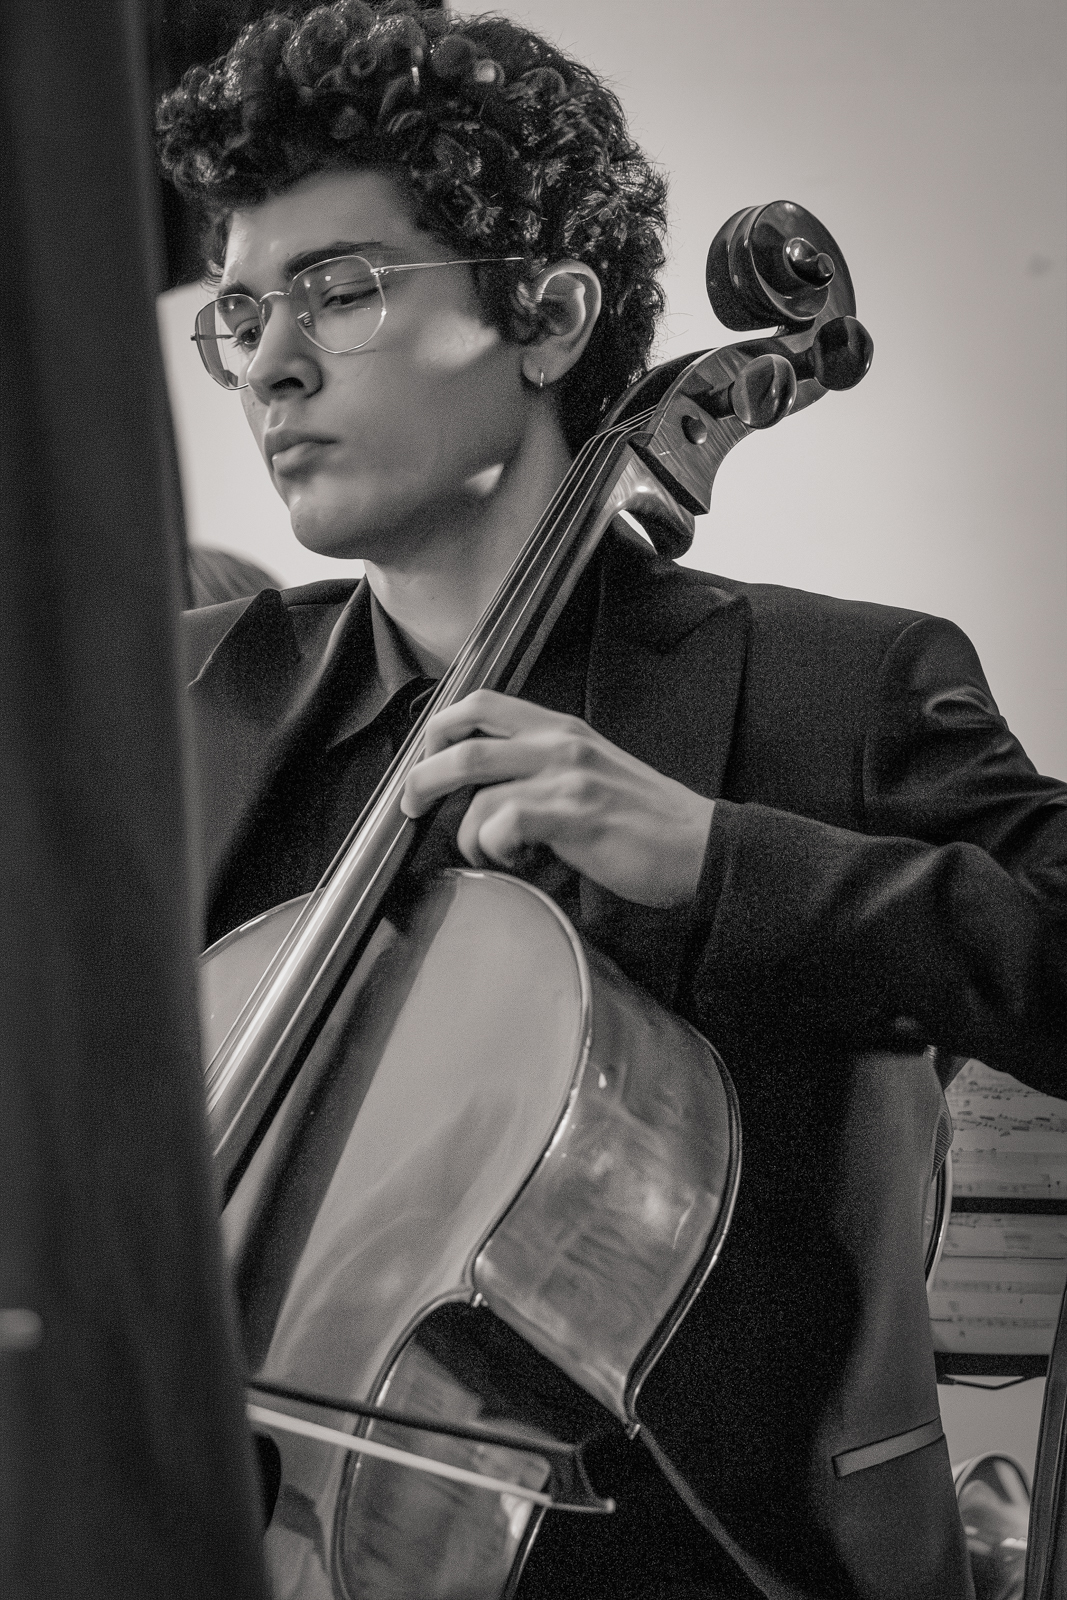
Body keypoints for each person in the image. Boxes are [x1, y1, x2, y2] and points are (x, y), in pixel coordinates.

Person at [157, 4, 1067, 1596]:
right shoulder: (180, 694)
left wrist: (718, 858)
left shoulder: (831, 688)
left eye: (340, 292)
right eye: (237, 314)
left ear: (554, 317)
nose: (272, 365)